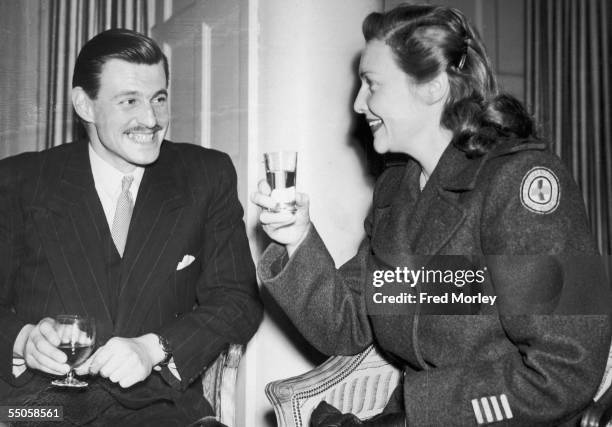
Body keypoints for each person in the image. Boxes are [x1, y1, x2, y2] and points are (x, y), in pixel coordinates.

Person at [253, 4, 611, 426]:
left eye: (371, 84)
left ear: (432, 87)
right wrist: (296, 240)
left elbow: (566, 370)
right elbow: (348, 323)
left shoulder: (521, 182)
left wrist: (416, 416)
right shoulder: (397, 190)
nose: (357, 103)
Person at [0, 29, 262, 426]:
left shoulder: (206, 175)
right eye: (129, 101)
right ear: (84, 105)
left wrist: (154, 348)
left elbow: (237, 300)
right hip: (39, 408)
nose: (152, 119)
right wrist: (23, 340)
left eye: (159, 98)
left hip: (162, 409)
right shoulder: (21, 181)